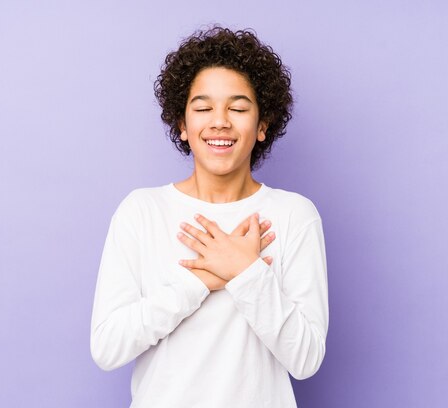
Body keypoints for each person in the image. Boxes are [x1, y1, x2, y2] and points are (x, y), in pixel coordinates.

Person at [90, 26, 329, 408]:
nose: (220, 121)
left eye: (237, 108)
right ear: (182, 125)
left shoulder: (293, 215)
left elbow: (306, 358)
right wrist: (200, 281)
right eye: (203, 108)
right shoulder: (142, 211)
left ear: (262, 125)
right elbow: (108, 347)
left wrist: (247, 273)